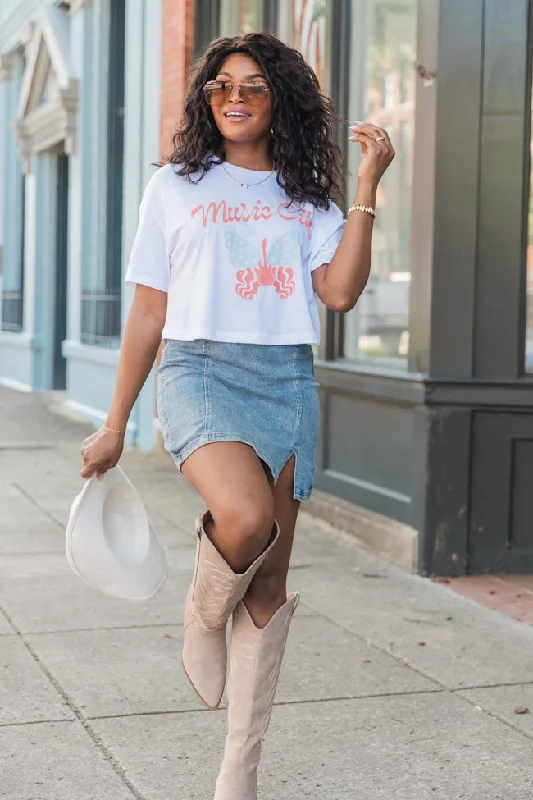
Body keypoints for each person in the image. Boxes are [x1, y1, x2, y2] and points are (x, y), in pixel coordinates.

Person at [80, 32, 394, 800]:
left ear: (278, 97)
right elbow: (149, 310)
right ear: (206, 99)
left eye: (253, 85)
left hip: (284, 377)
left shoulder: (307, 198)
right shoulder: (176, 188)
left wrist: (367, 183)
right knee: (245, 517)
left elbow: (341, 293)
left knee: (267, 591)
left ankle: (238, 772)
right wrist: (116, 419)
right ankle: (200, 609)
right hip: (198, 367)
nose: (235, 97)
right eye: (221, 85)